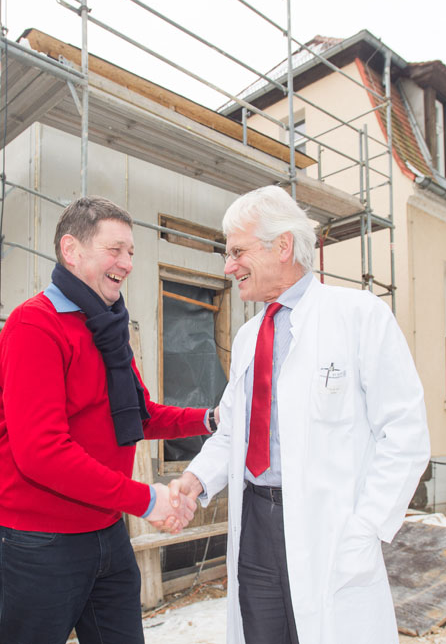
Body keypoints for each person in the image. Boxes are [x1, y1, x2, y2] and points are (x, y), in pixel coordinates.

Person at [169, 186, 430, 643]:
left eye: (237, 252)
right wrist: (195, 481)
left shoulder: (360, 316)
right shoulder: (251, 336)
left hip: (329, 528)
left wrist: (366, 527)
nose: (228, 267)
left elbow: (405, 434)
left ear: (283, 246)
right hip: (256, 524)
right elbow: (233, 432)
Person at [0, 195, 213, 644]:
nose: (127, 263)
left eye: (131, 252)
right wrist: (146, 500)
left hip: (106, 533)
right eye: (116, 250)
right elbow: (42, 453)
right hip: (41, 541)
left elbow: (136, 417)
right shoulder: (36, 326)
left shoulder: (107, 327)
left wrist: (211, 418)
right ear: (72, 251)